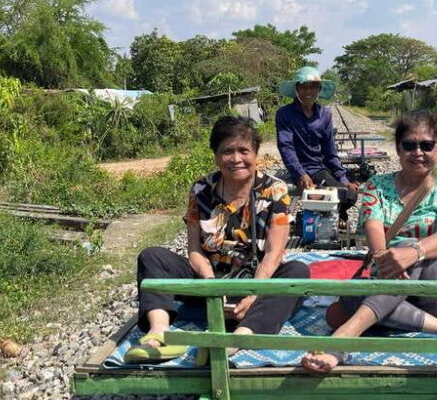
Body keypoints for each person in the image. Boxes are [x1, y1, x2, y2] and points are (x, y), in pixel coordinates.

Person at [301, 110, 437, 373]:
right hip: (390, 279)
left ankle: (342, 339)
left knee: (385, 272)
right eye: (410, 145)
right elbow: (373, 230)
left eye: (426, 145)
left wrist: (411, 253)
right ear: (398, 148)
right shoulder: (376, 186)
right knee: (366, 288)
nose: (418, 152)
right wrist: (386, 258)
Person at [127, 116, 309, 362]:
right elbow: (194, 250)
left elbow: (274, 253)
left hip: (255, 283)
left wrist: (254, 294)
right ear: (216, 155)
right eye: (227, 151)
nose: (236, 159)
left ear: (256, 153)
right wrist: (212, 288)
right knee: (152, 257)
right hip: (208, 282)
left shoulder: (274, 190)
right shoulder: (201, 190)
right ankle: (159, 333)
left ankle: (236, 340)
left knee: (297, 272)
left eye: (244, 150)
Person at [276, 66, 358, 226]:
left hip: (320, 168)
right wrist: (300, 174)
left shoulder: (324, 114)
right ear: (296, 89)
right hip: (301, 168)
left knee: (350, 193)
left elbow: (329, 150)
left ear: (319, 89)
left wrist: (343, 177)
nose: (308, 91)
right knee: (339, 194)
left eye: (313, 87)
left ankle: (333, 215)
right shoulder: (284, 114)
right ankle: (324, 219)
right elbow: (286, 146)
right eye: (304, 87)